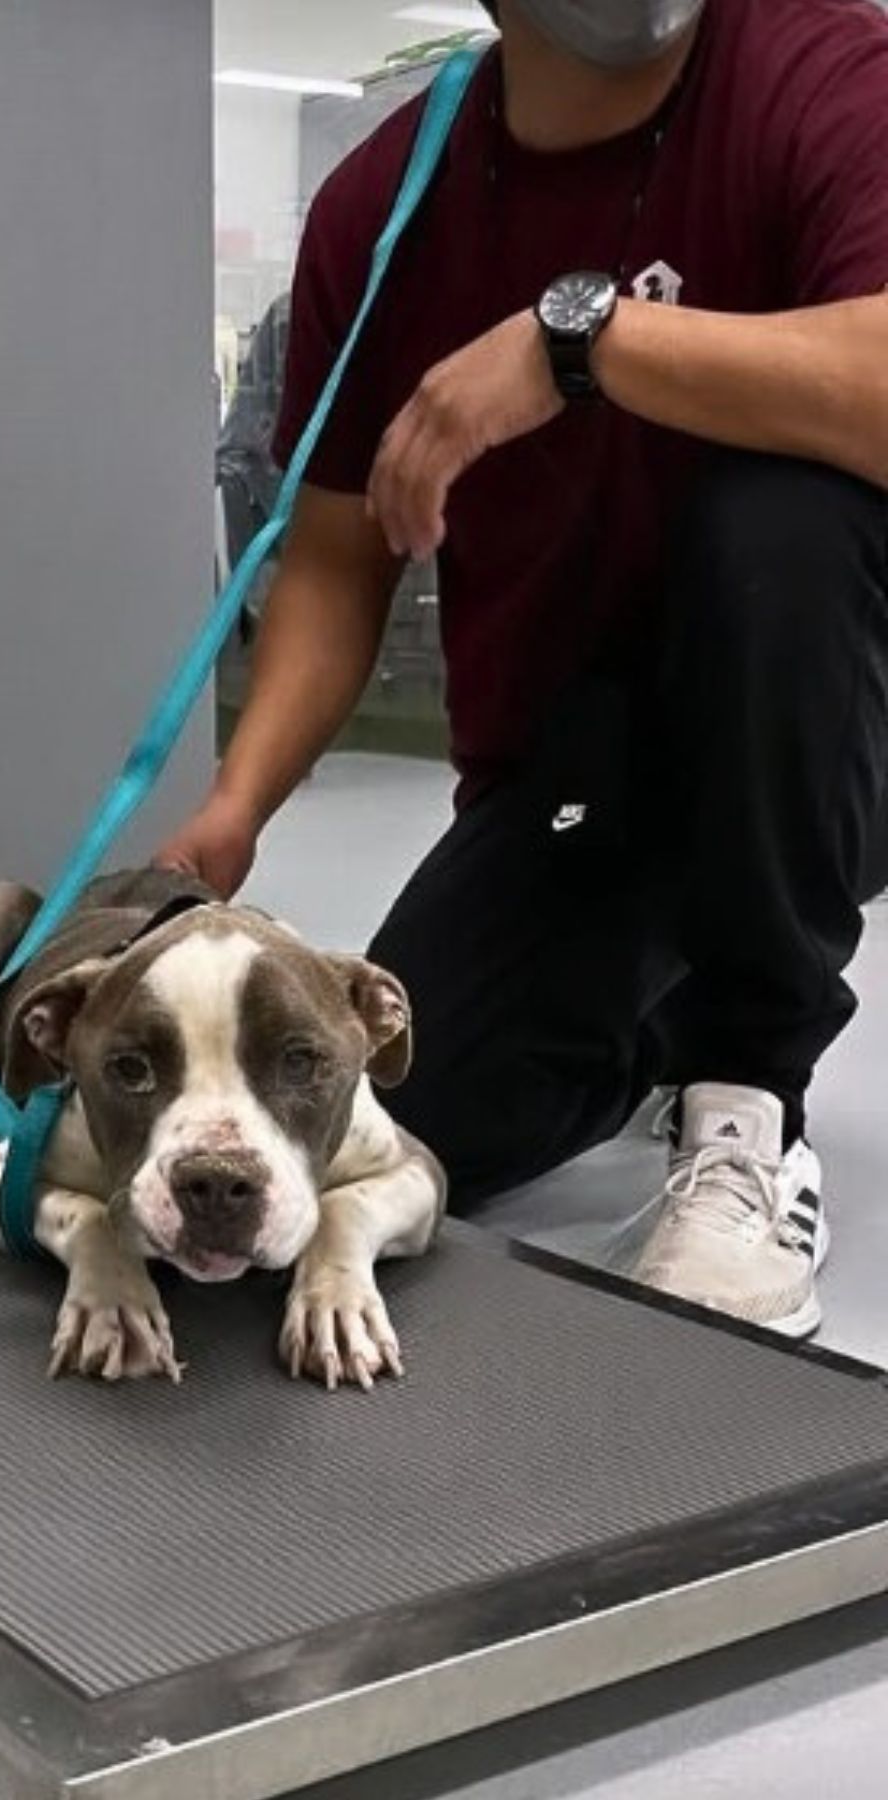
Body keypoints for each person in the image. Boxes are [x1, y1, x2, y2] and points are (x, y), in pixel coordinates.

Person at [157, 0, 888, 1338]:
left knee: (777, 512)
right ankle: (664, 994)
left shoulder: (822, 73)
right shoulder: (385, 206)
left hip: (832, 704)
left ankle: (753, 1091)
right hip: (583, 762)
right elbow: (335, 556)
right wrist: (236, 805)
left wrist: (584, 344)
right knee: (402, 1120)